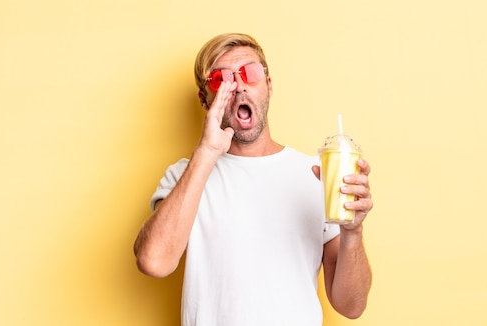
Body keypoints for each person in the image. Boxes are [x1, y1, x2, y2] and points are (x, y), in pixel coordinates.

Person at [134, 33, 373, 326]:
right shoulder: (185, 175)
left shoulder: (315, 175)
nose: (238, 87)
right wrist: (207, 152)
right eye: (221, 80)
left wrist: (352, 232)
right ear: (205, 100)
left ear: (268, 86)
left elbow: (351, 306)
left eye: (250, 73)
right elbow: (153, 262)